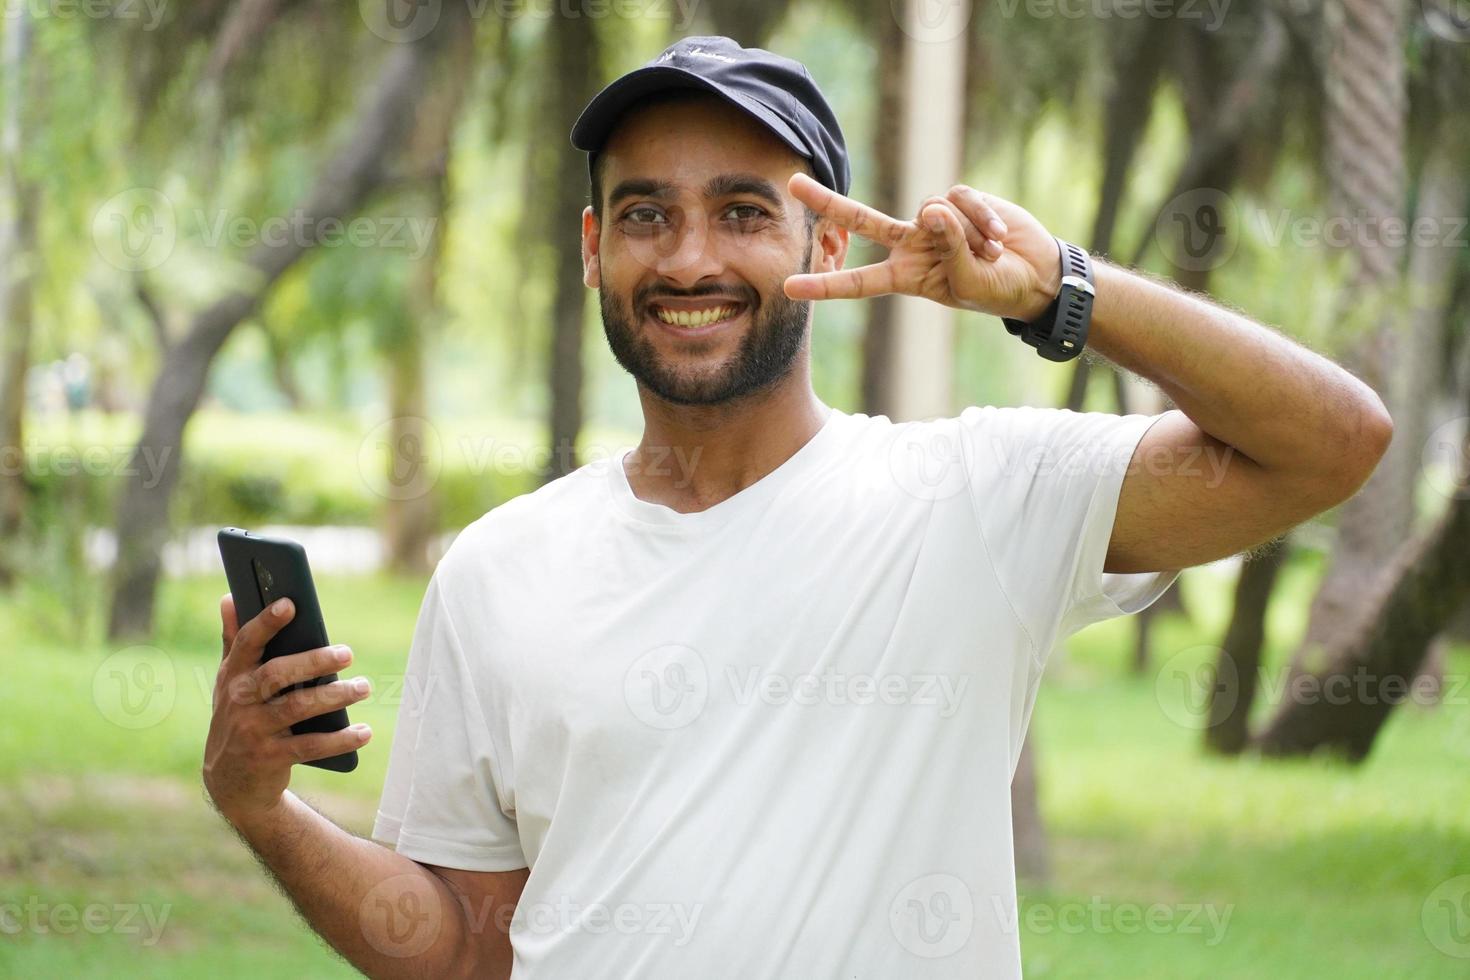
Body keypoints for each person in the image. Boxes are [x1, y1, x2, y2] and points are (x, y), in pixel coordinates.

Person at [202, 35, 1392, 980]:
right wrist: (261, 808)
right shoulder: (499, 567)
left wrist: (1061, 293)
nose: (687, 259)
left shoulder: (978, 499)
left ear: (820, 235)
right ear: (592, 247)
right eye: (645, 214)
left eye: (741, 209)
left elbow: (1329, 442)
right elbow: (464, 947)